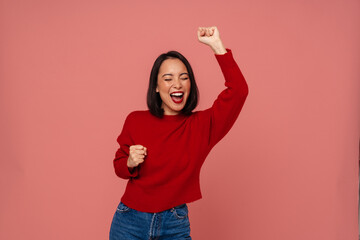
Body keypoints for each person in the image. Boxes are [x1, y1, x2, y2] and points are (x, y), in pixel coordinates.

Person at [109, 26, 249, 240]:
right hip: (129, 220)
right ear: (156, 87)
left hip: (174, 223)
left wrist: (217, 46)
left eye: (184, 77)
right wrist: (129, 161)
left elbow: (239, 91)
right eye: (168, 78)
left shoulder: (202, 125)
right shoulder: (135, 120)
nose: (177, 84)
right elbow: (119, 167)